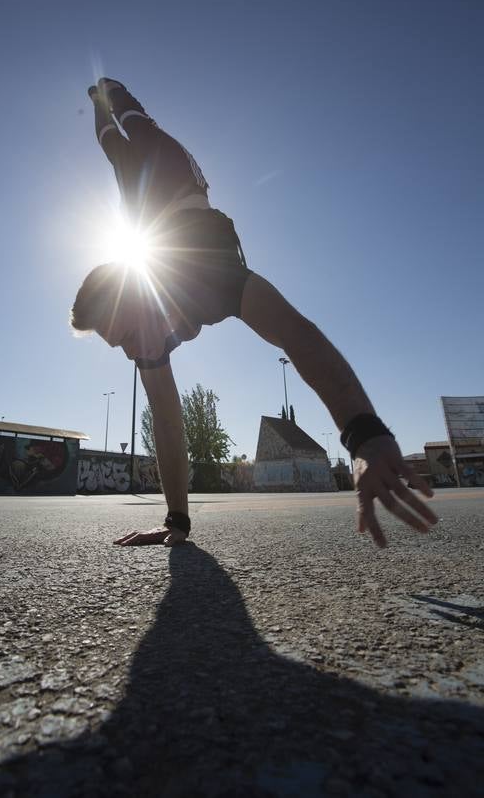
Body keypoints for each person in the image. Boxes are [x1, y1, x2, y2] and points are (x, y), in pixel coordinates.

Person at [72, 78, 438, 548]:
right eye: (118, 344)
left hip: (177, 184)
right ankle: (101, 109)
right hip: (151, 216)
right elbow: (167, 421)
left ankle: (114, 94)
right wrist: (176, 524)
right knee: (111, 149)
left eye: (123, 334)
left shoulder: (209, 272)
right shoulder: (147, 340)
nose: (131, 350)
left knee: (136, 132)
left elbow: (297, 334)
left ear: (134, 294)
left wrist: (364, 435)